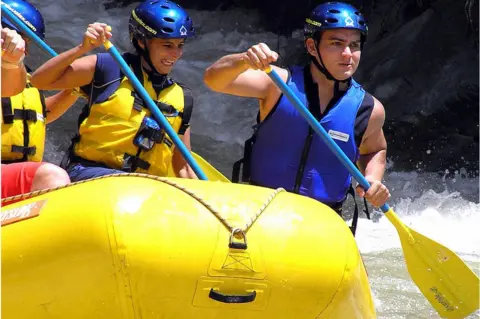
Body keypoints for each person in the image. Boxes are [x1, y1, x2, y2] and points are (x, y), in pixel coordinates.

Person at [203, 2, 390, 229]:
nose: (348, 54)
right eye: (336, 44)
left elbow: (374, 149)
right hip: (260, 214)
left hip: (321, 224)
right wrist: (243, 60)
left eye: (354, 45)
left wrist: (373, 179)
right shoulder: (278, 84)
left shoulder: (369, 109)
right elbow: (213, 79)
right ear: (312, 47)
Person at [30, 0, 198, 182]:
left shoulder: (182, 97)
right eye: (167, 45)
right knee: (136, 184)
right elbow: (40, 80)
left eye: (180, 45)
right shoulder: (109, 67)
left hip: (145, 189)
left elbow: (184, 167)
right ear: (142, 41)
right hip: (88, 174)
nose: (176, 54)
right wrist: (83, 48)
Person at [1, 0, 74, 199]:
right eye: (22, 38)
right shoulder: (11, 72)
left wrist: (72, 92)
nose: (25, 47)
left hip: (18, 170)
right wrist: (9, 64)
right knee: (51, 176)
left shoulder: (26, 77)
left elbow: (40, 115)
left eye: (27, 40)